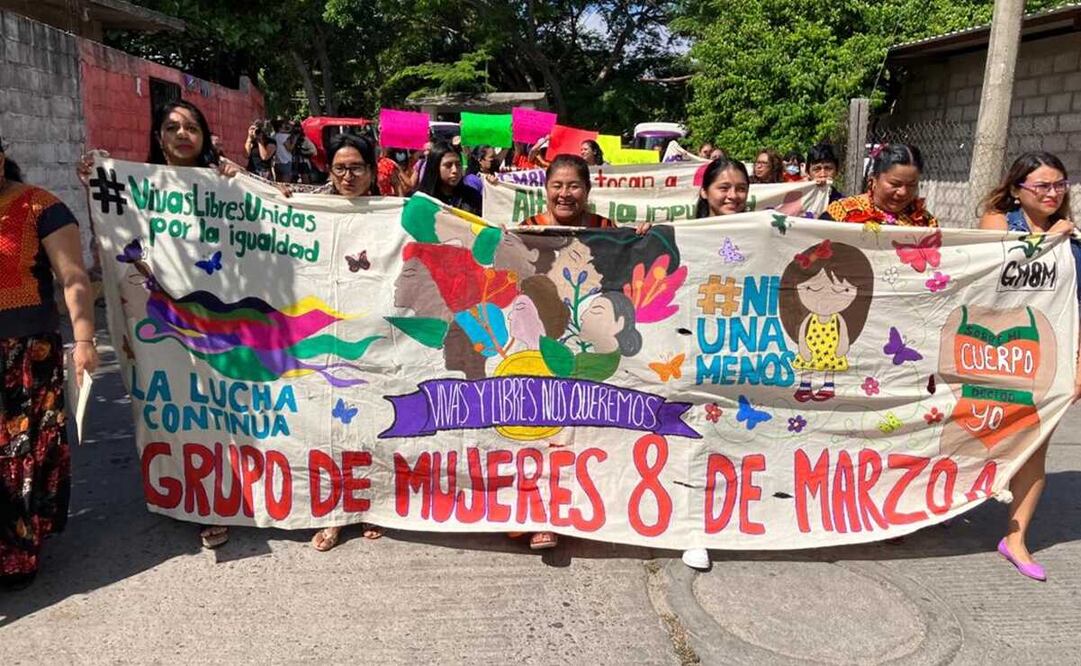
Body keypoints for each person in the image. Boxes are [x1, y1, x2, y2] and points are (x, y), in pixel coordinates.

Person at [79, 100, 237, 549]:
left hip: (214, 314)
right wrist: (94, 176)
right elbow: (114, 236)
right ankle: (199, 498)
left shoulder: (224, 182)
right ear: (159, 137)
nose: (182, 134)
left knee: (227, 406)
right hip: (161, 320)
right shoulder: (134, 186)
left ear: (205, 136)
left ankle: (226, 495)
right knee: (182, 409)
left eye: (191, 127)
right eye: (172, 127)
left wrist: (240, 179)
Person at [0, 137, 99, 588]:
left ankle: (18, 551)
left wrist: (83, 339)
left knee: (18, 453)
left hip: (26, 355)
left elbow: (74, 278)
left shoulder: (42, 207)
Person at [977, 151, 1079, 581]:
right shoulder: (997, 223)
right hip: (990, 352)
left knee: (1035, 449)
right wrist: (1051, 238)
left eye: (1059, 184)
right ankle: (939, 507)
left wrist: (1078, 366)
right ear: (1017, 190)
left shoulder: (1074, 243)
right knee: (971, 435)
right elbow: (1007, 267)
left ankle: (1016, 538)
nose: (1053, 193)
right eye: (1042, 185)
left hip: (1047, 359)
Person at [681, 156, 751, 571]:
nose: (733, 195)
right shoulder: (685, 234)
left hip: (741, 353)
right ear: (705, 192)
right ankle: (694, 530)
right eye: (723, 188)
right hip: (693, 352)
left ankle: (730, 515)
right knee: (696, 438)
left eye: (740, 188)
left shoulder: (762, 233)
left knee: (735, 438)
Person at [820, 144, 938, 227]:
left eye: (912, 185)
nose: (903, 192)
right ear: (874, 180)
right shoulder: (842, 212)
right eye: (895, 184)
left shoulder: (925, 222)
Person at [522, 155, 614, 228]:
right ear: (546, 187)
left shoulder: (605, 229)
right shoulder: (529, 229)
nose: (564, 194)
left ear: (587, 188)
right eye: (557, 186)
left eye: (574, 186)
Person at [418, 142, 482, 214]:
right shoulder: (423, 200)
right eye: (448, 165)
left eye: (458, 165)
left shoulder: (472, 196)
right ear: (435, 167)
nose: (455, 170)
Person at [272, 119, 296, 183]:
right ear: (281, 127)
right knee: (286, 183)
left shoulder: (273, 136)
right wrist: (294, 140)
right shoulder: (284, 136)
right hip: (286, 161)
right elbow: (289, 148)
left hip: (277, 162)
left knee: (278, 182)